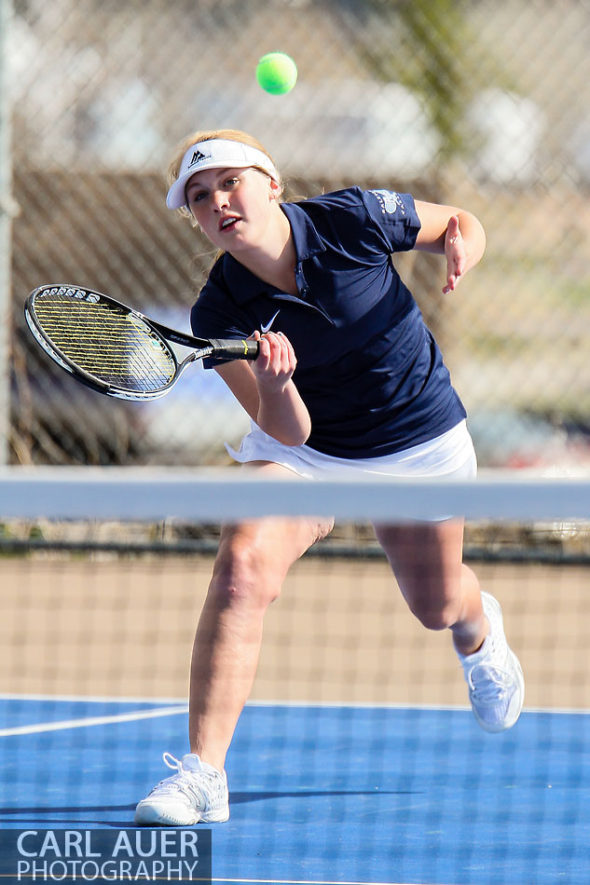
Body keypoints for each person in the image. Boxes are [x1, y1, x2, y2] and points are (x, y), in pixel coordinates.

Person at [134, 129, 524, 826]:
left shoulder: (353, 218)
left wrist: (466, 246)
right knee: (241, 566)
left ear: (272, 182)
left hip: (417, 440)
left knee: (435, 605)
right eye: (199, 195)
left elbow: (458, 223)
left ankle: (478, 626)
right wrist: (279, 383)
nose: (218, 200)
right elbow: (287, 432)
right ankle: (203, 774)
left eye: (230, 182)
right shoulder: (218, 314)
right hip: (310, 453)